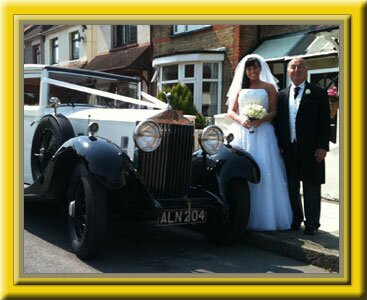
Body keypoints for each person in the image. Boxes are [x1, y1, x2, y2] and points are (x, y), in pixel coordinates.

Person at [226, 54, 293, 231]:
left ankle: (265, 216)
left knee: (264, 169)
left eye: (255, 68)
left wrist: (261, 119)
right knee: (239, 168)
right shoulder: (240, 89)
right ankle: (240, 212)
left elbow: (273, 111)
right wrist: (242, 121)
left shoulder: (269, 87)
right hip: (243, 133)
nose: (252, 71)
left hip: (263, 134)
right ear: (245, 71)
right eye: (249, 69)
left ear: (260, 68)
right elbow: (231, 112)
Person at [275, 57, 330, 235]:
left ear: (306, 70)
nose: (296, 70)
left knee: (311, 185)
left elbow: (324, 122)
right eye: (293, 67)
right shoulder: (281, 94)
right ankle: (295, 219)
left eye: (300, 66)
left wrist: (323, 146)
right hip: (289, 148)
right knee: (291, 186)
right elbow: (278, 122)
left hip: (312, 148)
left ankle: (312, 223)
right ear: (288, 71)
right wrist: (280, 144)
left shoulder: (318, 93)